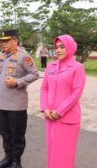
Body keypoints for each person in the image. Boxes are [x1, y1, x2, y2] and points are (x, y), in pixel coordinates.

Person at [0, 30, 39, 168]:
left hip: (17, 104)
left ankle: (16, 161)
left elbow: (34, 73)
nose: (4, 44)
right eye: (2, 41)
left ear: (15, 40)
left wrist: (18, 82)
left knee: (17, 135)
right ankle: (8, 158)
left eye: (7, 41)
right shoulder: (1, 56)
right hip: (3, 104)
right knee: (5, 133)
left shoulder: (23, 56)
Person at [40, 35, 86, 168]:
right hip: (50, 117)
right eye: (56, 47)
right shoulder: (50, 66)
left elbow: (76, 93)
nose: (58, 50)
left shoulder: (77, 68)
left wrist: (59, 111)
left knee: (64, 156)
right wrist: (45, 108)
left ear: (70, 48)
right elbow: (44, 88)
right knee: (52, 154)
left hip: (67, 119)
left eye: (62, 47)